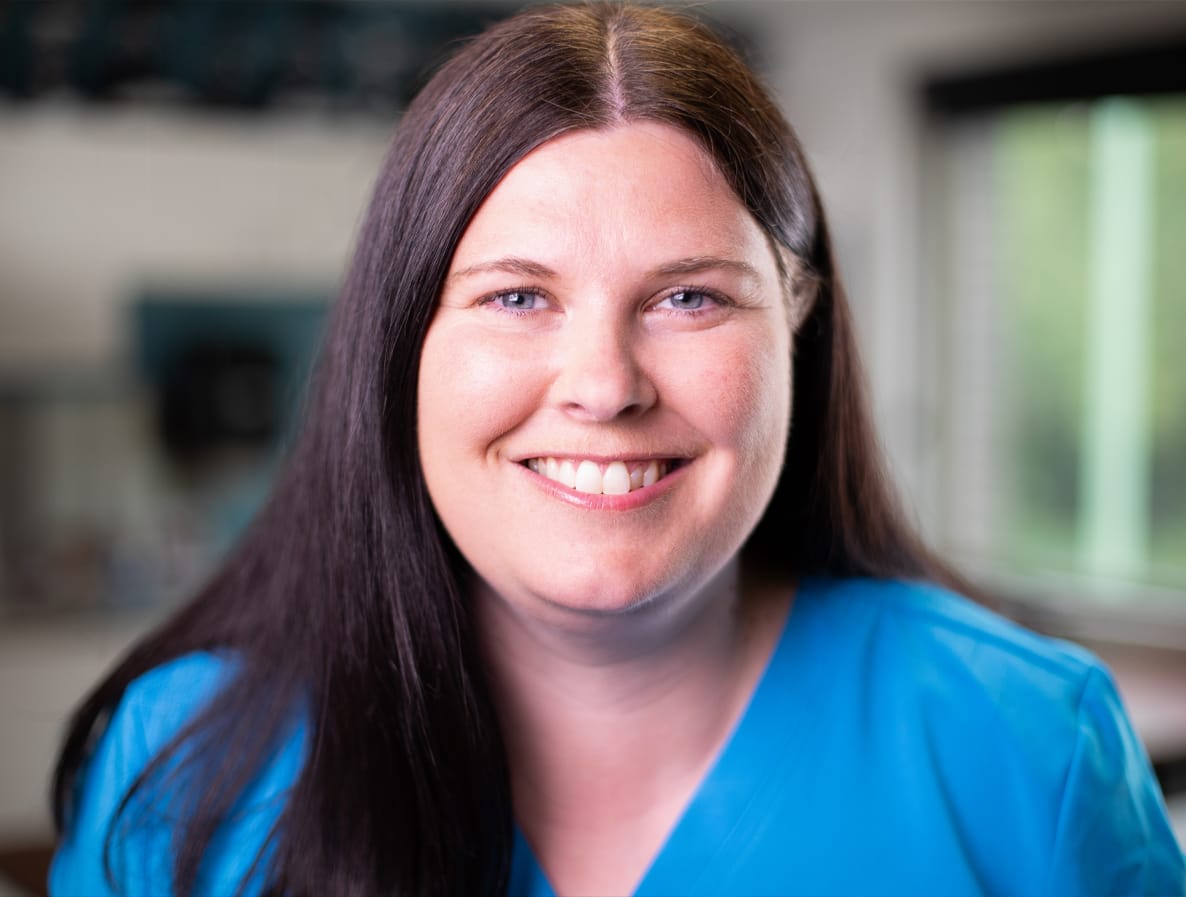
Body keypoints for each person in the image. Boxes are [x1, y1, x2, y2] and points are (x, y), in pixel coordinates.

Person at [49, 4, 1184, 896]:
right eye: (516, 297)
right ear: (399, 343)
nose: (602, 386)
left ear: (798, 319)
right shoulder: (186, 764)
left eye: (689, 297)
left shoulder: (1026, 743)